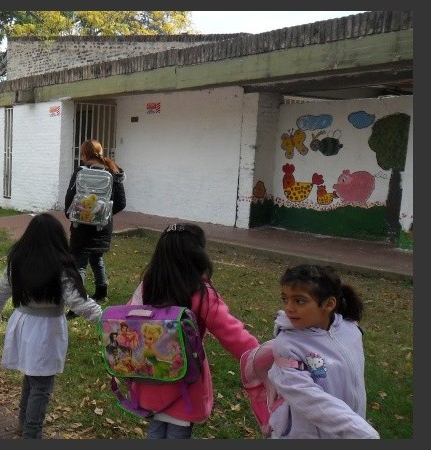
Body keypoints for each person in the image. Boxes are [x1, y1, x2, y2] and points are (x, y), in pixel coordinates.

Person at [125, 223, 259, 439]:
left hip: (149, 375)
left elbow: (129, 320)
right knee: (178, 430)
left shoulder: (147, 287)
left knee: (157, 428)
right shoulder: (201, 294)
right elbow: (233, 334)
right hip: (185, 381)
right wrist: (261, 357)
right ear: (197, 256)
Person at [0, 212, 103, 438]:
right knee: (41, 385)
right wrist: (107, 320)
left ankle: (24, 424)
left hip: (22, 324)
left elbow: (1, 291)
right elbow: (79, 302)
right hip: (45, 330)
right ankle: (32, 434)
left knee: (32, 377)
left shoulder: (18, 261)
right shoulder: (60, 267)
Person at [267, 264, 379, 439]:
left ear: (328, 304)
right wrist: (358, 430)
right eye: (285, 299)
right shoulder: (287, 346)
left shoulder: (350, 330)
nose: (289, 308)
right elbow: (307, 397)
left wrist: (356, 427)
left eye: (299, 301)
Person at [64, 139, 126, 308]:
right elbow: (121, 202)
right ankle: (101, 292)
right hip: (102, 227)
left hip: (81, 226)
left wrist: (75, 215)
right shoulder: (112, 172)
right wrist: (102, 214)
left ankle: (77, 303)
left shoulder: (81, 172)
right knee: (97, 258)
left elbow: (69, 199)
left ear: (84, 155)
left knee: (79, 264)